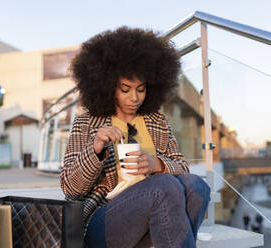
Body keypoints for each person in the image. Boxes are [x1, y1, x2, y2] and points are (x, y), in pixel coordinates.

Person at [60, 26, 211, 248]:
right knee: (165, 186)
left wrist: (156, 164)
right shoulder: (87, 123)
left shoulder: (156, 120)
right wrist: (95, 149)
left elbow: (182, 167)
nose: (134, 98)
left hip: (155, 212)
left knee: (197, 185)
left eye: (141, 89)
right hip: (103, 221)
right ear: (108, 86)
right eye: (125, 88)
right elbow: (70, 188)